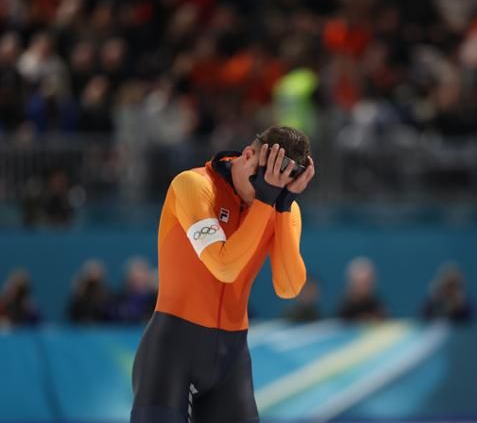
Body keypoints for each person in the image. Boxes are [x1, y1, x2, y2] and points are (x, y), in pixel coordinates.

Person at [131, 126, 314, 423]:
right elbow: (223, 266)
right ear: (248, 155)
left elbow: (289, 287)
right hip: (172, 352)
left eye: (276, 186)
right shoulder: (193, 185)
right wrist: (266, 202)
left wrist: (282, 207)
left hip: (232, 358)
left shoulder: (278, 207)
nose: (264, 191)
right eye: (260, 180)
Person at [338, 257, 386, 321]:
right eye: (362, 283)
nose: (366, 286)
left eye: (368, 282)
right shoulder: (343, 308)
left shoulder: (378, 305)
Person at [110, 257, 156, 324]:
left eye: (142, 276)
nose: (139, 279)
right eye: (136, 278)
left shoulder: (155, 301)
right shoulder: (119, 301)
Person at [67, 259, 111, 324]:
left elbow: (108, 315)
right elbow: (72, 314)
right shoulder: (79, 296)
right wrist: (77, 294)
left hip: (102, 328)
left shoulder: (107, 295)